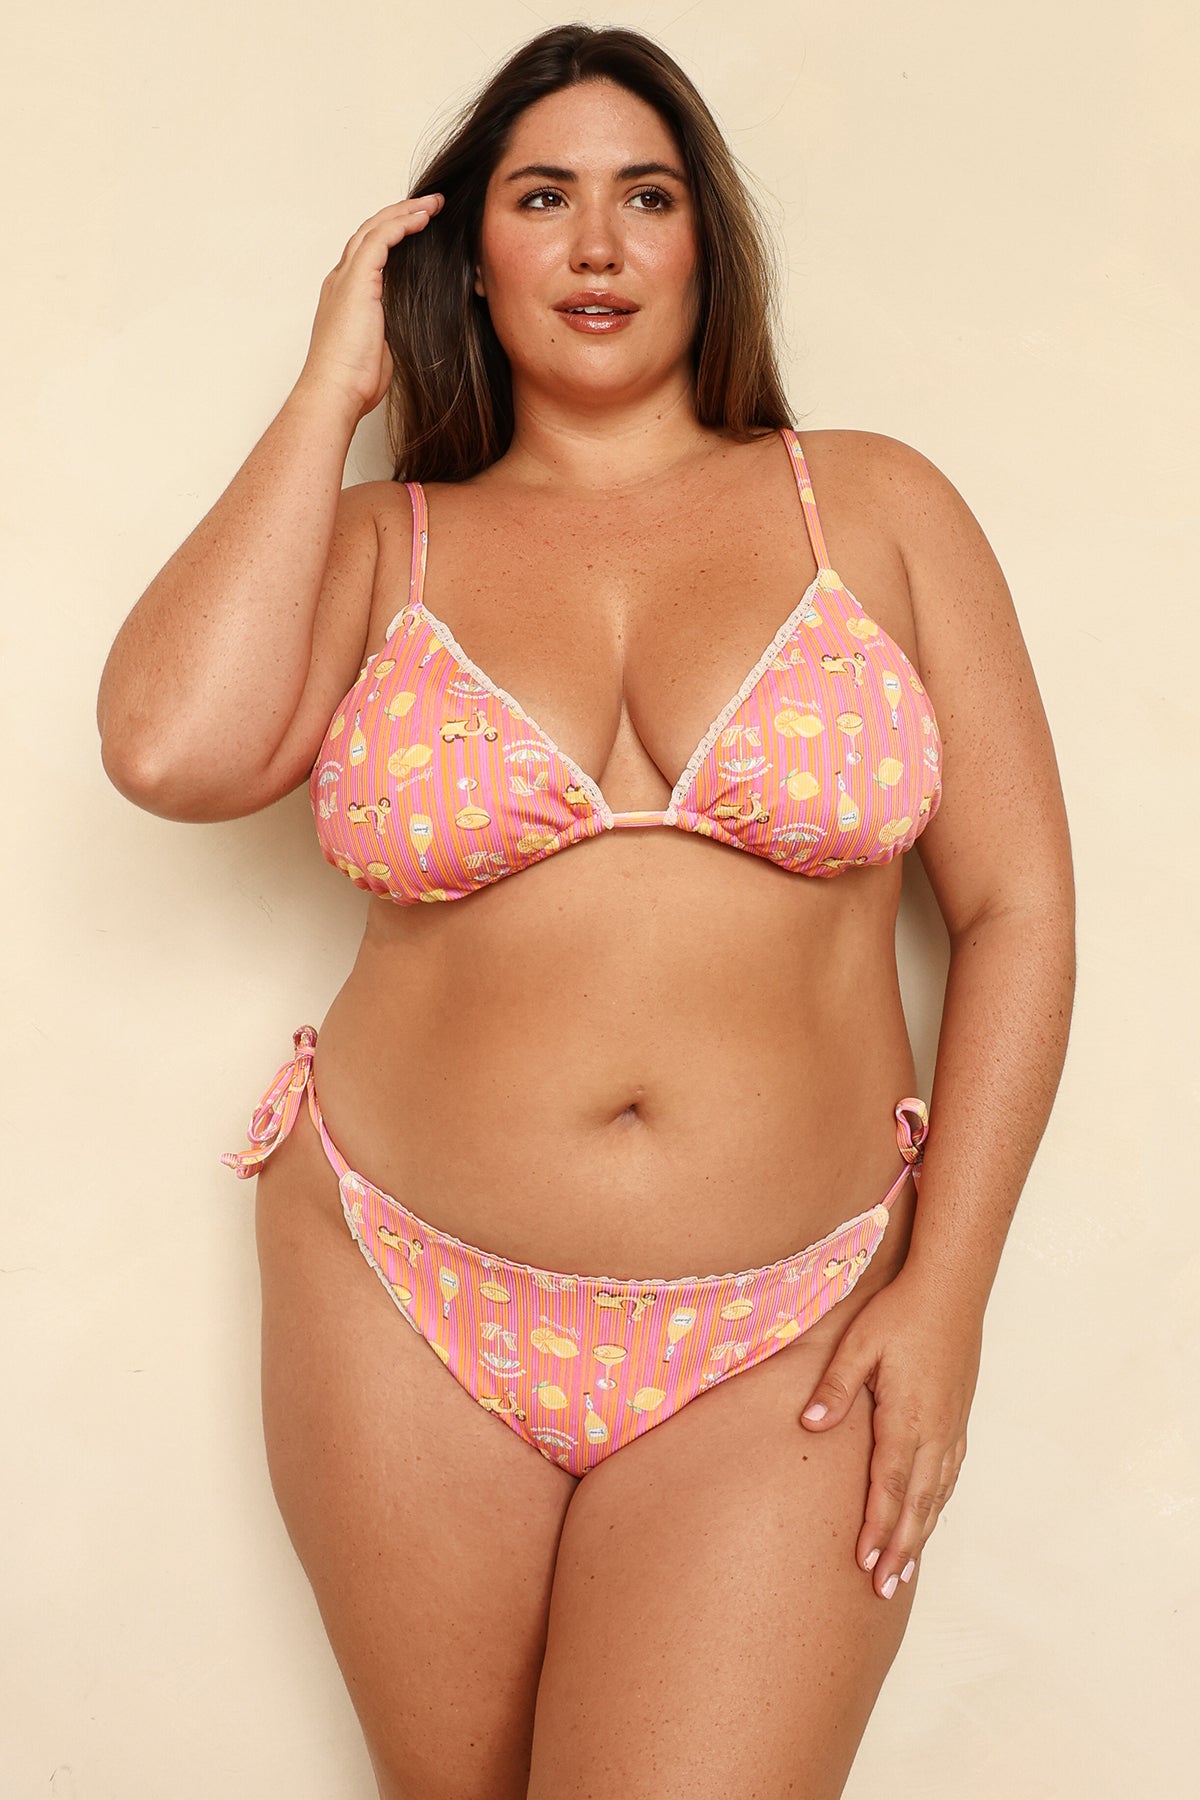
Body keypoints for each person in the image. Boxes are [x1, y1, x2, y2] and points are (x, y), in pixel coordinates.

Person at [96, 22, 1075, 1800]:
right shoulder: (383, 542)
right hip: (402, 1293)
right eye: (544, 198)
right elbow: (169, 749)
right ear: (468, 256)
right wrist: (330, 391)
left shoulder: (873, 505)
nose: (602, 244)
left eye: (650, 196)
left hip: (796, 1319)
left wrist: (950, 1297)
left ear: (709, 244)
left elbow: (1015, 908)